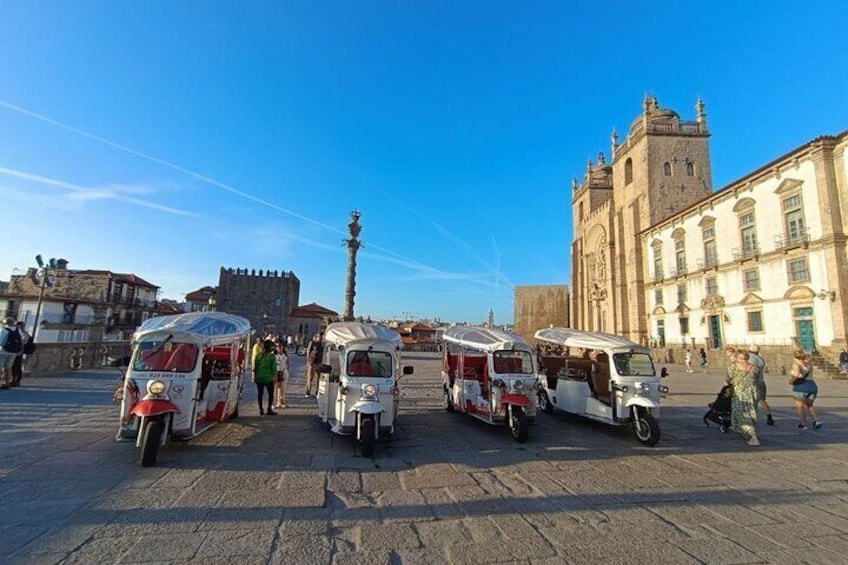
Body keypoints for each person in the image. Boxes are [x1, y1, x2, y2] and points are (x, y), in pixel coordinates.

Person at [727, 349, 760, 446]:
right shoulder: (754, 368)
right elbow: (756, 381)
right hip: (752, 393)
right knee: (751, 414)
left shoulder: (733, 367)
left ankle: (754, 438)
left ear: (737, 357)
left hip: (740, 393)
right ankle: (749, 434)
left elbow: (728, 379)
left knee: (742, 415)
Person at [789, 350, 821, 430]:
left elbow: (796, 374)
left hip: (801, 387)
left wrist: (791, 381)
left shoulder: (796, 364)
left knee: (800, 406)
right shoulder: (808, 364)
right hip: (812, 386)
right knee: (810, 405)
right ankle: (816, 420)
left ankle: (804, 424)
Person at [747, 345, 774, 425]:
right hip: (761, 381)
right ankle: (769, 416)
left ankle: (751, 417)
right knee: (762, 400)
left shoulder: (750, 358)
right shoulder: (761, 359)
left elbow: (751, 371)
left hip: (754, 381)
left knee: (751, 400)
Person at [253, 339, 277, 415]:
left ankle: (261, 410)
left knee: (260, 394)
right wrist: (275, 378)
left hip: (259, 377)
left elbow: (255, 367)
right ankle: (269, 409)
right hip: (268, 377)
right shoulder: (272, 356)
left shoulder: (258, 356)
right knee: (270, 394)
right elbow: (274, 368)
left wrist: (255, 377)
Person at [0, 317, 23, 389]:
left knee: (0, 367)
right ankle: (7, 384)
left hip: (3, 351)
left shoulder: (4, 330)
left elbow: (0, 341)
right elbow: (21, 340)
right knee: (8, 368)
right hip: (13, 352)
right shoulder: (18, 330)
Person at [10, 321, 31, 387]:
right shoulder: (15, 333)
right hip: (13, 352)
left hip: (19, 352)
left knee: (18, 366)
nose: (18, 327)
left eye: (19, 326)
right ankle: (13, 379)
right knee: (13, 366)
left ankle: (17, 380)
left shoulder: (25, 334)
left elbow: (24, 342)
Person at [273, 342, 289, 409]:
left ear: (283, 346)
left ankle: (281, 402)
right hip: (275, 372)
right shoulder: (274, 355)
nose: (278, 347)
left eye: (280, 346)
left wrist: (287, 370)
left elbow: (288, 363)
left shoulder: (285, 355)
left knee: (282, 389)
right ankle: (273, 403)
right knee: (275, 389)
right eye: (276, 346)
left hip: (283, 372)